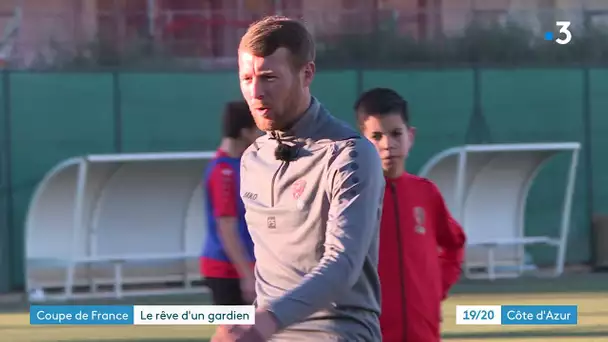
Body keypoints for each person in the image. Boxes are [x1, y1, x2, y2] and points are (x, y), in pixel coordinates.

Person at [211, 16, 385, 342]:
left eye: (269, 78)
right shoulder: (252, 159)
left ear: (307, 74)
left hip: (339, 333)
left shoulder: (350, 155)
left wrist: (266, 320)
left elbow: (343, 264)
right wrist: (244, 323)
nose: (255, 92)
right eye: (246, 78)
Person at [354, 87, 467, 342]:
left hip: (423, 332)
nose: (388, 144)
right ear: (361, 142)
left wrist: (435, 289)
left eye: (396, 134)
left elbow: (454, 244)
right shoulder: (351, 197)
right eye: (376, 136)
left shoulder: (426, 193)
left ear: (410, 136)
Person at [201, 100, 260, 306]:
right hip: (227, 270)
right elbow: (227, 227)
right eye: (256, 131)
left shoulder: (242, 165)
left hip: (245, 266)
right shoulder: (223, 171)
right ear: (245, 132)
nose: (260, 137)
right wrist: (247, 275)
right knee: (237, 333)